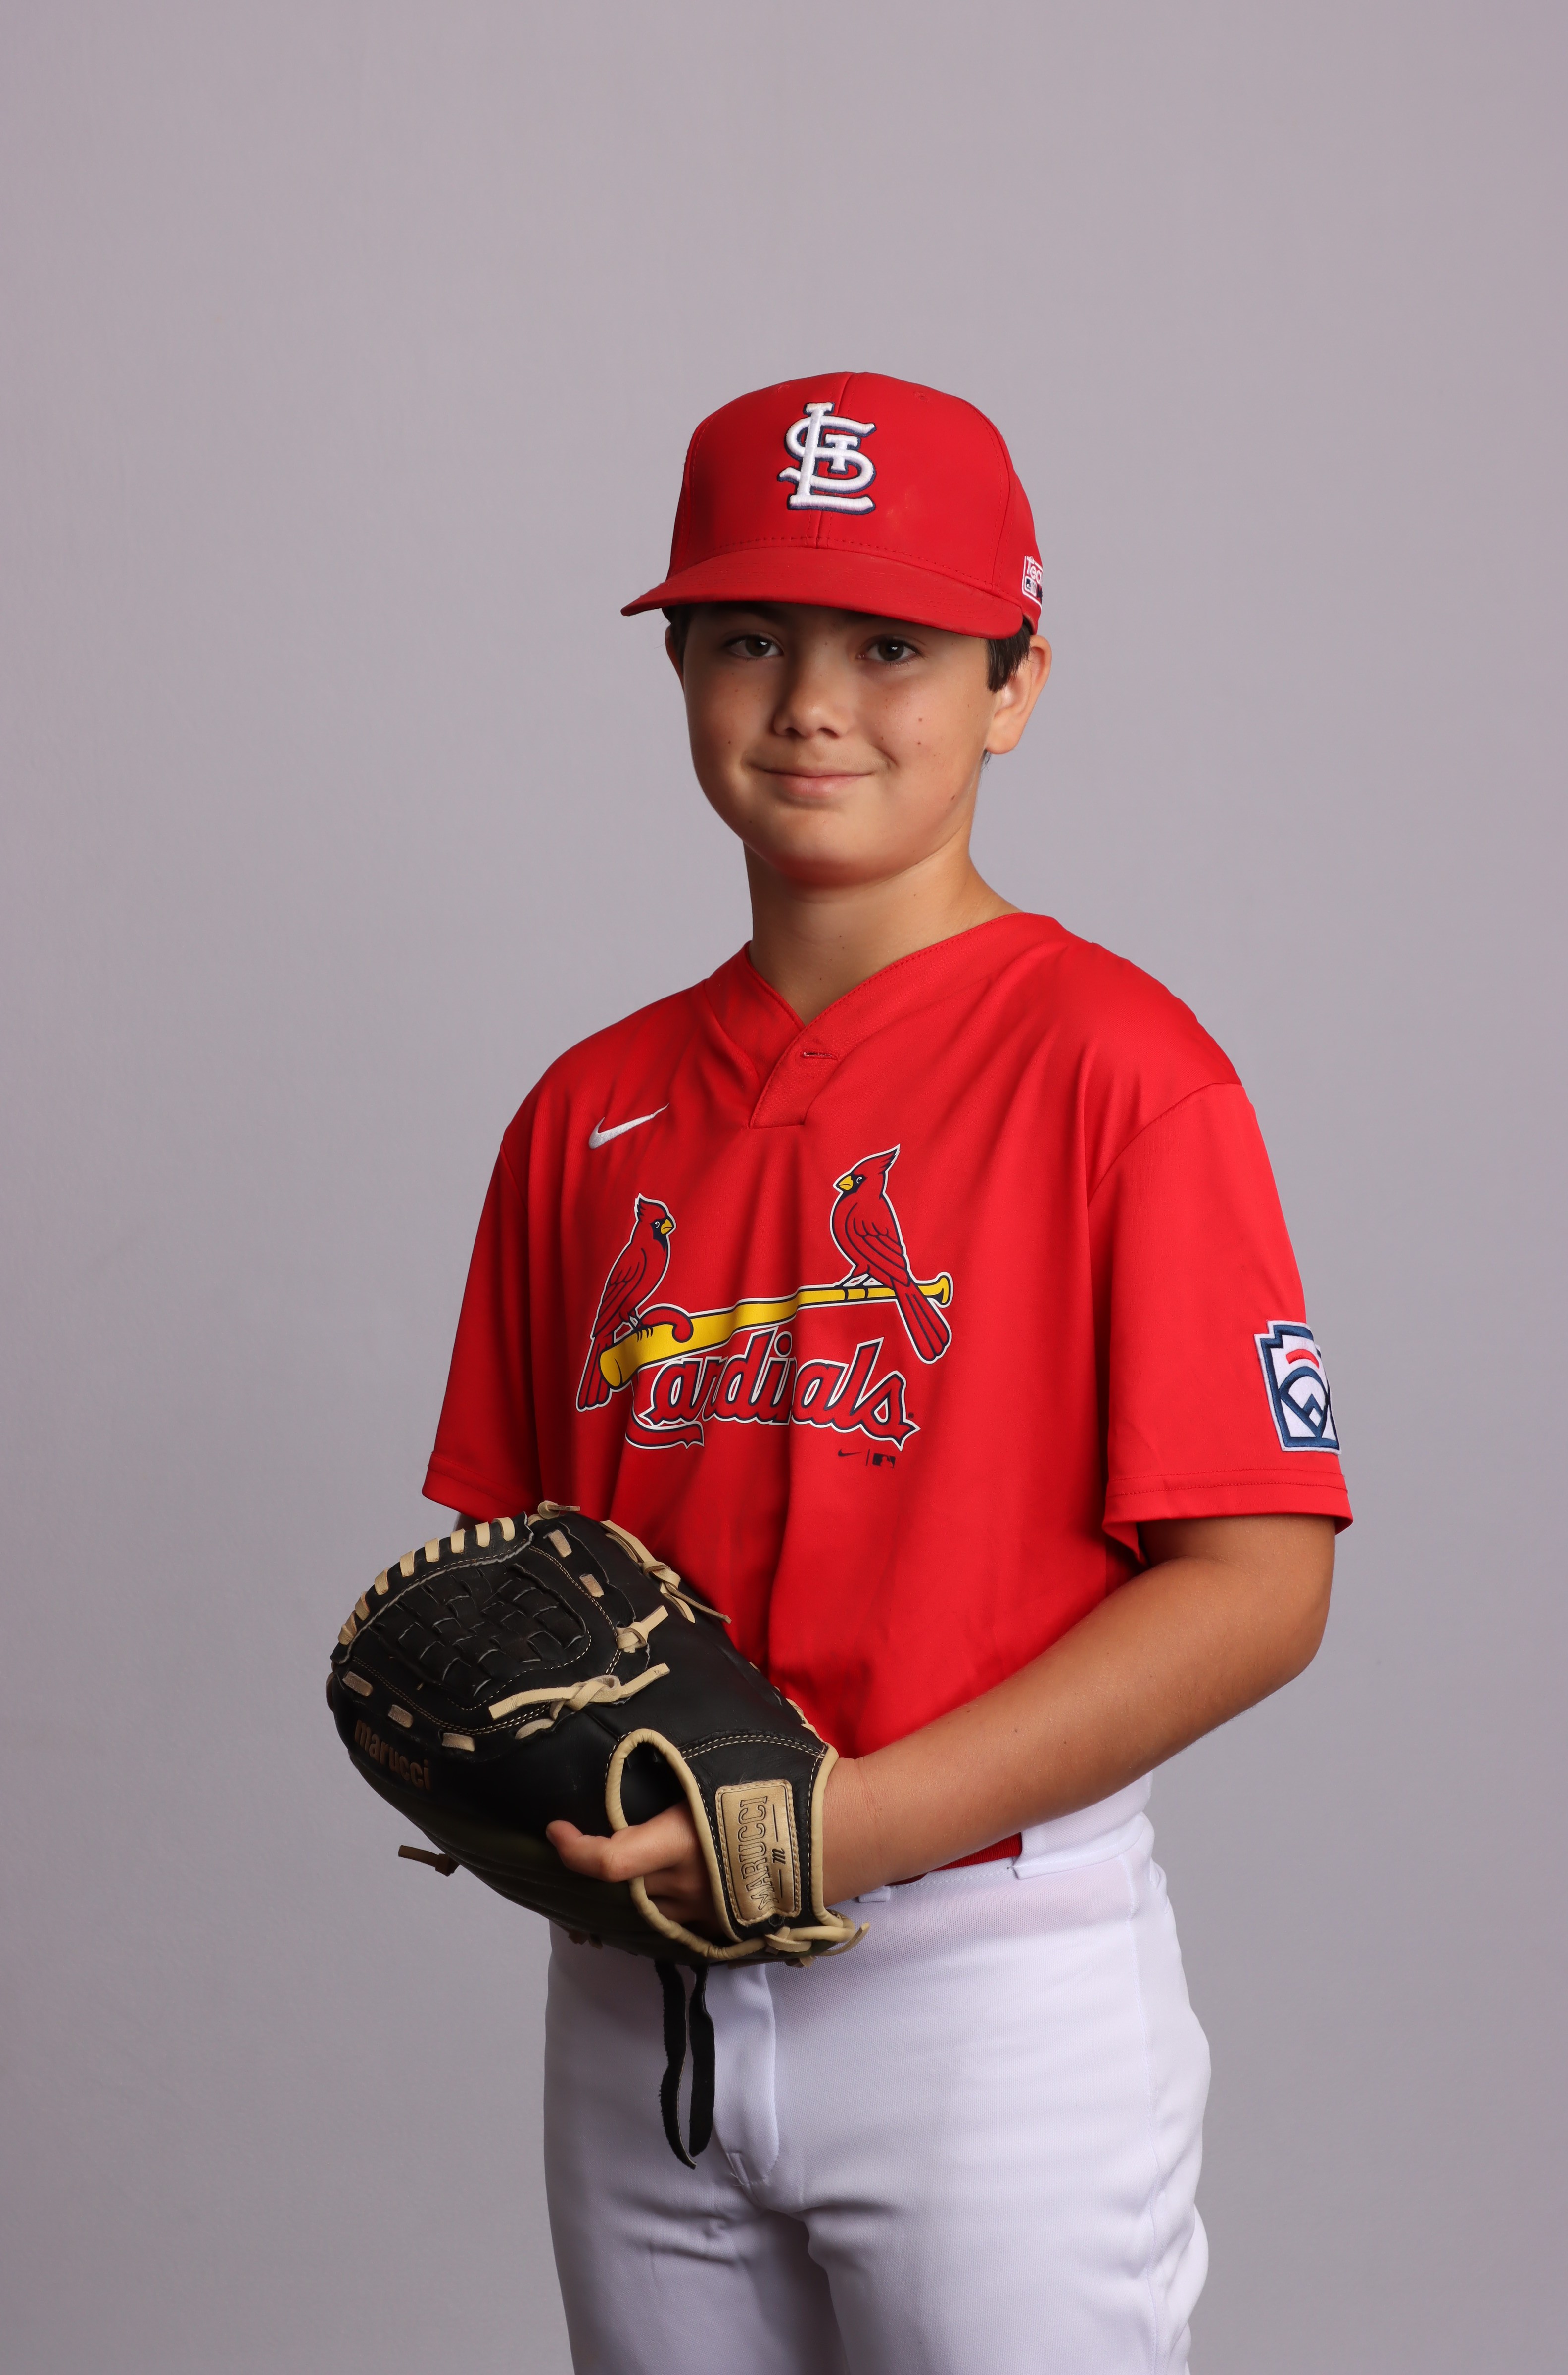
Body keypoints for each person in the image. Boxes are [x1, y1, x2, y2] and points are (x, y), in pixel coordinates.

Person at [423, 372, 1351, 2375]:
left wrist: (831, 1828)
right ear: (681, 669)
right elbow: (530, 1574)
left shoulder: (1121, 1072)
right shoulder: (583, 1112)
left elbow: (1261, 1586)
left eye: (894, 647)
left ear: (1014, 687)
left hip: (982, 1989)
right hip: (639, 1995)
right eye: (750, 637)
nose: (812, 704)